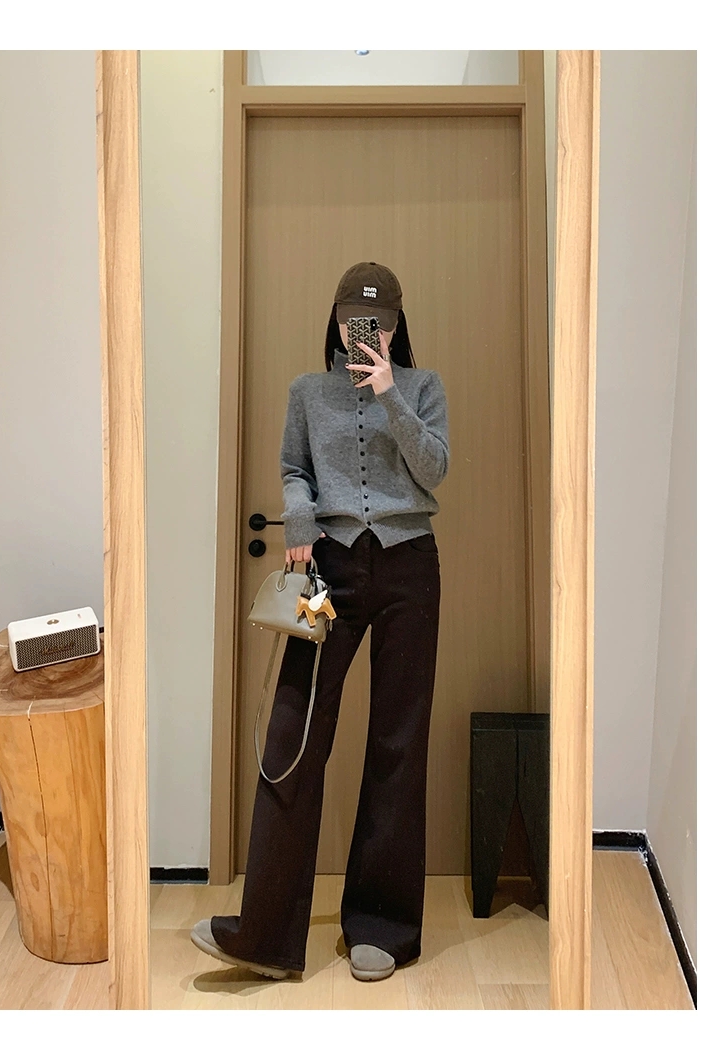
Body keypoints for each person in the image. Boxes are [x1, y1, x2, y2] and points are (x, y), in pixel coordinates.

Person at [191, 262, 450, 982]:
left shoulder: (423, 386)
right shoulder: (307, 391)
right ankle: (266, 935)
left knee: (399, 742)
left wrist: (391, 392)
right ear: (335, 320)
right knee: (294, 733)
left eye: (378, 323)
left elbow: (434, 470)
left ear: (395, 326)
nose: (364, 332)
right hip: (327, 573)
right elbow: (293, 468)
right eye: (352, 320)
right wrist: (301, 522)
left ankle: (384, 929)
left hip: (409, 569)